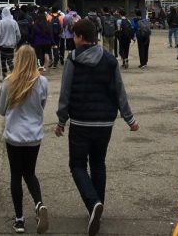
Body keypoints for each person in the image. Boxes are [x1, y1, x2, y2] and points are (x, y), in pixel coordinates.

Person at [55, 18, 139, 236]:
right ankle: (97, 205)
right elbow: (120, 91)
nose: (73, 39)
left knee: (77, 164)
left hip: (81, 120)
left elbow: (65, 93)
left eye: (74, 36)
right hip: (105, 121)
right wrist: (129, 119)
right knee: (99, 163)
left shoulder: (73, 59)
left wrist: (61, 120)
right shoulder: (110, 60)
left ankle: (93, 203)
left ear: (81, 37)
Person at [0, 45, 50, 234]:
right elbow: (42, 106)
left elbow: (1, 109)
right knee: (30, 173)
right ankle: (39, 204)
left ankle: (19, 219)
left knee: (16, 175)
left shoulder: (9, 81)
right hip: (33, 135)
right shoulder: (42, 82)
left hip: (14, 135)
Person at [0, 6, 21, 82]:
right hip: (11, 46)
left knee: (3, 61)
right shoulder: (14, 22)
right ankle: (14, 76)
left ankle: (4, 76)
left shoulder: (0, 22)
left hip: (2, 46)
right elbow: (18, 34)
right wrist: (16, 42)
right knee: (10, 61)